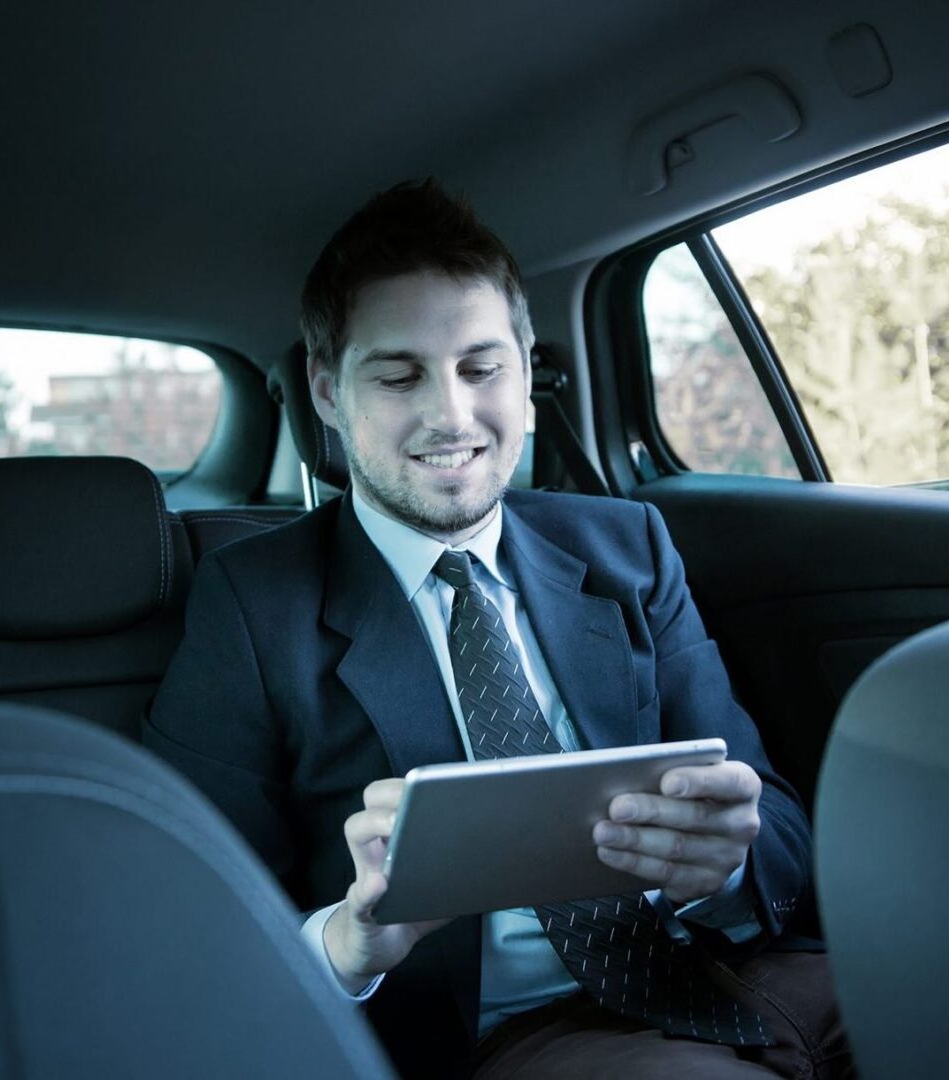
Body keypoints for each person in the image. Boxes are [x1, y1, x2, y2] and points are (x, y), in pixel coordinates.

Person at [144, 180, 849, 1078]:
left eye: (482, 369)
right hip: (504, 1037)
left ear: (525, 368)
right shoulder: (253, 604)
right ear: (327, 389)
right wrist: (353, 940)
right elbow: (188, 929)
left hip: (735, 973)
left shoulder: (626, 545)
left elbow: (771, 818)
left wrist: (726, 865)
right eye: (399, 376)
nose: (452, 416)